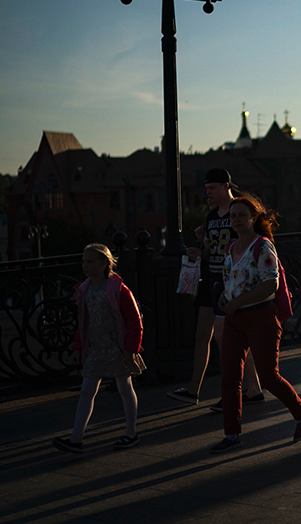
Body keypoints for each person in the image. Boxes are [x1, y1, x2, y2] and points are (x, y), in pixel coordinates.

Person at [210, 195, 301, 453]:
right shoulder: (230, 247)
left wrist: (238, 300)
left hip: (261, 317)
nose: (236, 220)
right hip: (235, 318)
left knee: (268, 376)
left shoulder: (263, 246)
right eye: (233, 216)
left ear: (254, 218)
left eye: (242, 215)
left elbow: (271, 284)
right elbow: (231, 279)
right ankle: (231, 434)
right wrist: (225, 296)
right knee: (230, 378)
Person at [168, 168, 263, 409]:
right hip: (211, 279)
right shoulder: (211, 217)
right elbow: (211, 249)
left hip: (231, 281)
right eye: (206, 189)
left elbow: (253, 241)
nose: (207, 193)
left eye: (212, 188)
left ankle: (240, 391)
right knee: (203, 336)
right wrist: (199, 250)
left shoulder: (239, 212)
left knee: (226, 338)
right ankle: (194, 390)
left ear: (225, 187)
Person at [52, 244, 145, 453]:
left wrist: (131, 349)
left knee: (124, 387)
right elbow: (83, 322)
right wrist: (78, 347)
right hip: (96, 348)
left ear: (104, 263)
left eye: (89, 261)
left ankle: (131, 432)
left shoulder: (118, 288)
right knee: (87, 390)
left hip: (117, 348)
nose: (84, 265)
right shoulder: (85, 289)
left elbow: (134, 320)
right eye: (84, 261)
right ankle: (76, 439)